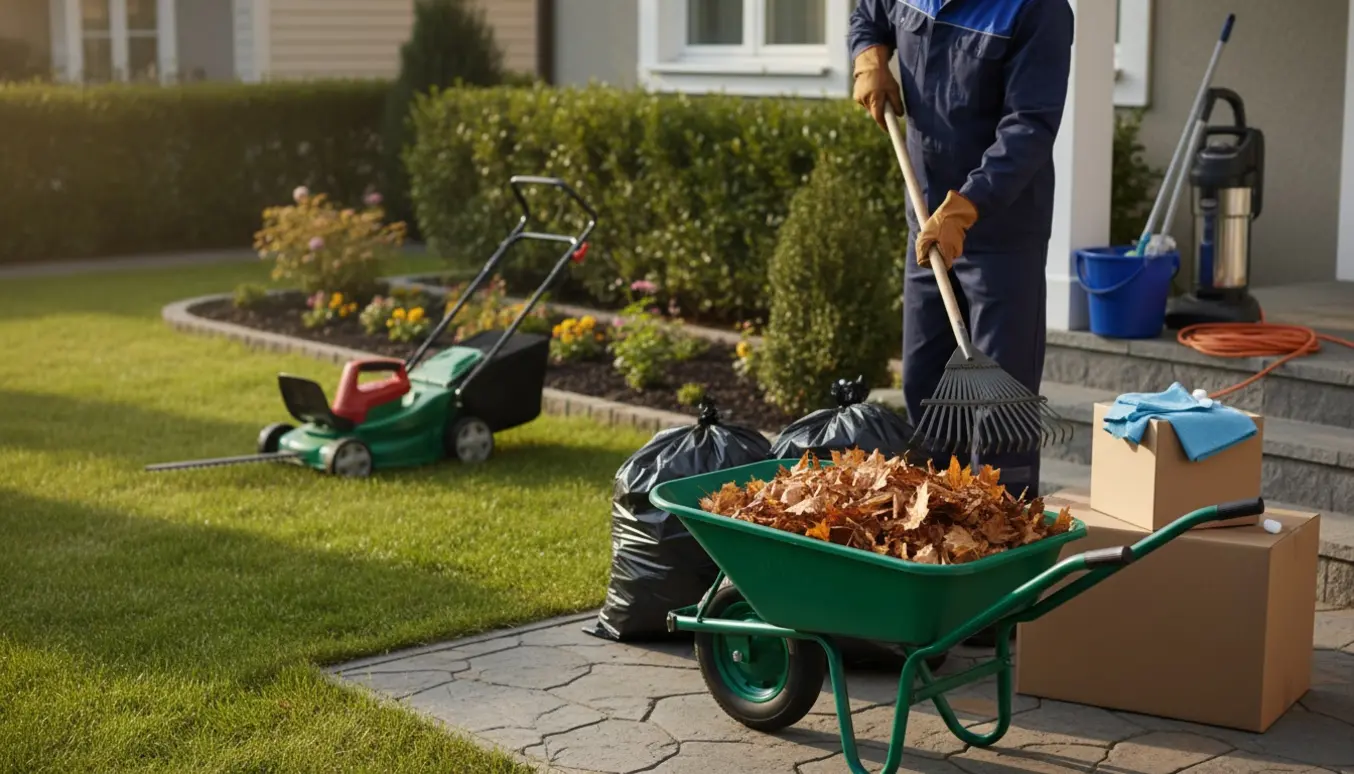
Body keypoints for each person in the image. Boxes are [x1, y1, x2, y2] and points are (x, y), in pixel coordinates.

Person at [848, 0, 1074, 502]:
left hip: (1001, 230)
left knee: (1000, 412)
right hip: (925, 215)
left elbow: (1030, 126)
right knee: (926, 389)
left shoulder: (1036, 11)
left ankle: (997, 536)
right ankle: (929, 529)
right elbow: (869, 12)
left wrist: (967, 208)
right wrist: (870, 58)